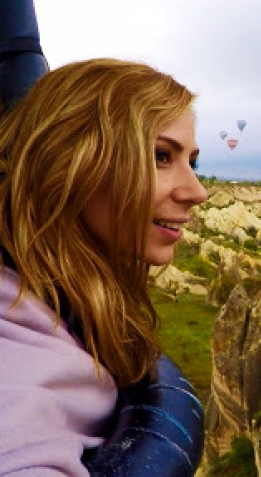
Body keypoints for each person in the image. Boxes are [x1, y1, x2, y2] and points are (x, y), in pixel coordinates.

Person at [0, 58, 208, 475]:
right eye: (160, 155)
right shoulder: (24, 350)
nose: (197, 192)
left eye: (193, 161)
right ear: (71, 162)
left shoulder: (45, 300)